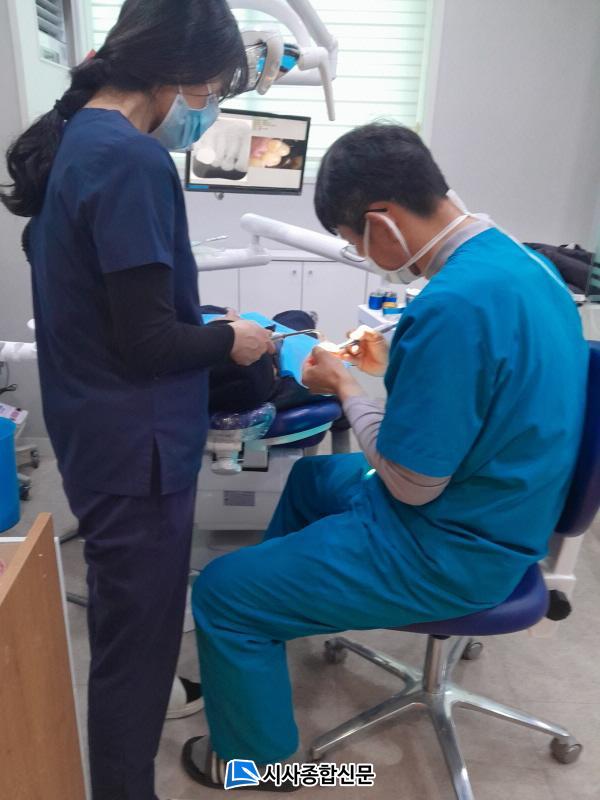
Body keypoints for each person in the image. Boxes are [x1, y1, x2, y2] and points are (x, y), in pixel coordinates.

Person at [183, 123, 588, 789]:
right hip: (511, 500)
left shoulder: (452, 306)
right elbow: (490, 379)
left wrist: (347, 387)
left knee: (223, 593)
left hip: (452, 543)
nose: (362, 255)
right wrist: (396, 363)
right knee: (313, 476)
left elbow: (410, 483)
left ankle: (258, 767)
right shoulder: (525, 265)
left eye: (353, 241)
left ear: (381, 221)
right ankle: (275, 617)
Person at [0, 1, 275, 798]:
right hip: (137, 453)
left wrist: (202, 327)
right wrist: (233, 339)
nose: (210, 106)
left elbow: (116, 307)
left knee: (129, 626)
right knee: (136, 650)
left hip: (97, 433)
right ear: (181, 74)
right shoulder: (130, 160)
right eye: (215, 88)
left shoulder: (79, 140)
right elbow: (149, 342)